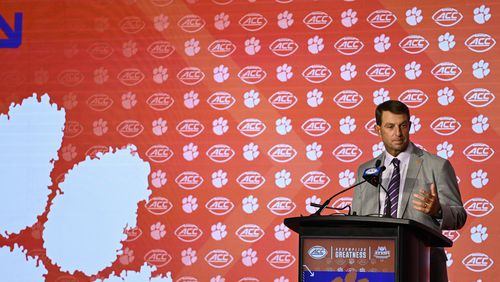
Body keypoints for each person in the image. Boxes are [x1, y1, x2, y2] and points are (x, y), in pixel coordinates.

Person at [352, 100, 467, 282]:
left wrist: (438, 210)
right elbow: (356, 219)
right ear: (378, 129)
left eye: (403, 126)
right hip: (373, 265)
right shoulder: (366, 170)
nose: (398, 133)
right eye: (390, 126)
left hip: (423, 264)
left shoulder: (437, 166)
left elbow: (460, 215)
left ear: (410, 126)